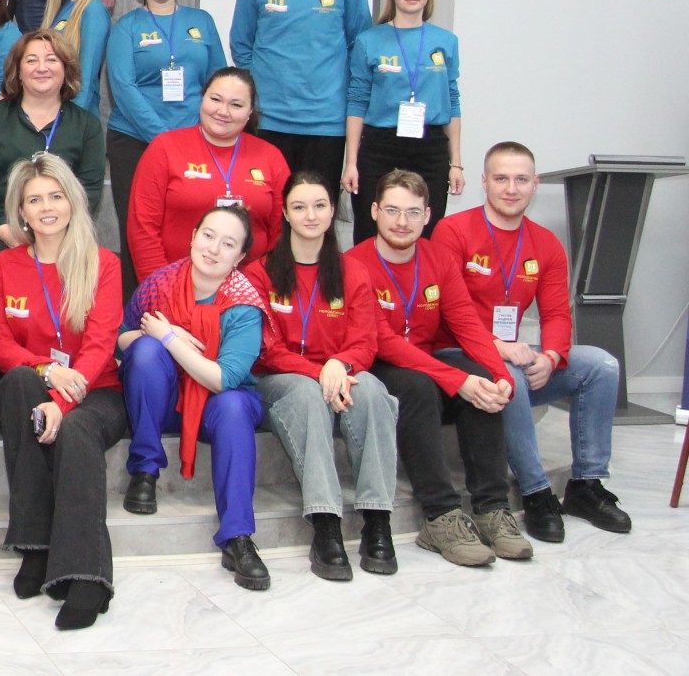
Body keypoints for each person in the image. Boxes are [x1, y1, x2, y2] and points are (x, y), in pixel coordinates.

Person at [433, 142, 629, 542]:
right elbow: (446, 312)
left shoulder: (546, 243)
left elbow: (557, 314)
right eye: (501, 179)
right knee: (511, 376)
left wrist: (552, 355)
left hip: (512, 354)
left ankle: (587, 485)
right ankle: (536, 492)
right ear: (484, 182)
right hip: (457, 353)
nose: (511, 188)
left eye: (521, 180)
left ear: (534, 184)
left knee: (601, 366)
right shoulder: (452, 231)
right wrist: (498, 347)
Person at [347, 170, 530, 567]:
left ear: (427, 215)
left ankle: (492, 509)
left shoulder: (439, 259)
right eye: (392, 210)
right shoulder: (353, 264)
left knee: (480, 380)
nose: (402, 222)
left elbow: (467, 325)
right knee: (419, 386)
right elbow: (383, 342)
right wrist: (455, 379)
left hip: (426, 361)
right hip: (375, 365)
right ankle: (441, 516)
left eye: (413, 212)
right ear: (374, 211)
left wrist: (500, 375)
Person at [0, 154, 125, 629]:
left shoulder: (102, 263)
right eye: (35, 200)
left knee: (78, 430)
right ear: (21, 211)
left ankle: (86, 575)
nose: (47, 208)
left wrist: (63, 402)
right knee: (18, 382)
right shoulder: (3, 265)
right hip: (38, 383)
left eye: (56, 196)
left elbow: (101, 345)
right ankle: (36, 544)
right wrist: (47, 372)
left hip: (97, 390)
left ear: (73, 202)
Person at [245, 174, 399, 581]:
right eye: (299, 207)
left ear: (333, 212)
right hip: (280, 380)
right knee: (308, 394)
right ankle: (326, 524)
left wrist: (340, 365)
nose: (310, 215)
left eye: (319, 206)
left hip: (338, 374)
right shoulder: (260, 273)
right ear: (285, 214)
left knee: (375, 392)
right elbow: (265, 350)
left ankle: (377, 519)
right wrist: (319, 372)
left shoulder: (353, 272)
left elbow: (365, 342)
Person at [117, 206, 270, 590]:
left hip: (218, 404)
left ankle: (238, 537)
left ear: (240, 257)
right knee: (145, 351)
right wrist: (152, 336)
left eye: (228, 244)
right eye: (208, 235)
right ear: (193, 236)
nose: (214, 249)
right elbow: (120, 340)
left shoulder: (244, 303)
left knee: (234, 407)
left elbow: (224, 379)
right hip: (167, 400)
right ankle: (145, 471)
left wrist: (170, 337)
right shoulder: (161, 283)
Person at [229, 0, 373, 199]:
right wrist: (264, 83)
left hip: (326, 121)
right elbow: (241, 44)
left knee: (317, 209)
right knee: (266, 207)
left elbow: (360, 45)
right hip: (269, 118)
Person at [105, 0, 226, 270]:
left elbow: (218, 81)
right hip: (135, 140)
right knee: (139, 230)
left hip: (195, 140)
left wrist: (196, 131)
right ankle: (138, 298)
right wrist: (163, 138)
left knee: (195, 226)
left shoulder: (201, 21)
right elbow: (123, 88)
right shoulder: (127, 27)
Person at [0, 31, 107, 293]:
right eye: (31, 60)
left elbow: (91, 190)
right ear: (17, 71)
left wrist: (56, 230)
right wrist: (7, 231)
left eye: (51, 60)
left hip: (62, 225)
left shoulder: (87, 125)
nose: (42, 68)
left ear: (66, 69)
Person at [126, 68, 290, 279]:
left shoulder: (271, 157)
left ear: (250, 112)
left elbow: (282, 232)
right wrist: (159, 287)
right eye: (215, 99)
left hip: (251, 289)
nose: (223, 111)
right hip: (174, 285)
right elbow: (142, 228)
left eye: (236, 105)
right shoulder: (164, 148)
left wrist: (263, 286)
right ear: (202, 99)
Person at [343, 0, 462, 242]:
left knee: (426, 233)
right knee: (371, 230)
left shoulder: (446, 41)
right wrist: (351, 162)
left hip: (430, 147)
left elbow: (452, 101)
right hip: (379, 147)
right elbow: (357, 101)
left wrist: (456, 163)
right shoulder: (369, 40)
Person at [42, 0, 110, 114]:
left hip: (76, 114)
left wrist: (71, 121)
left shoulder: (93, 9)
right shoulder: (62, 6)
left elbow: (86, 77)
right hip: (54, 108)